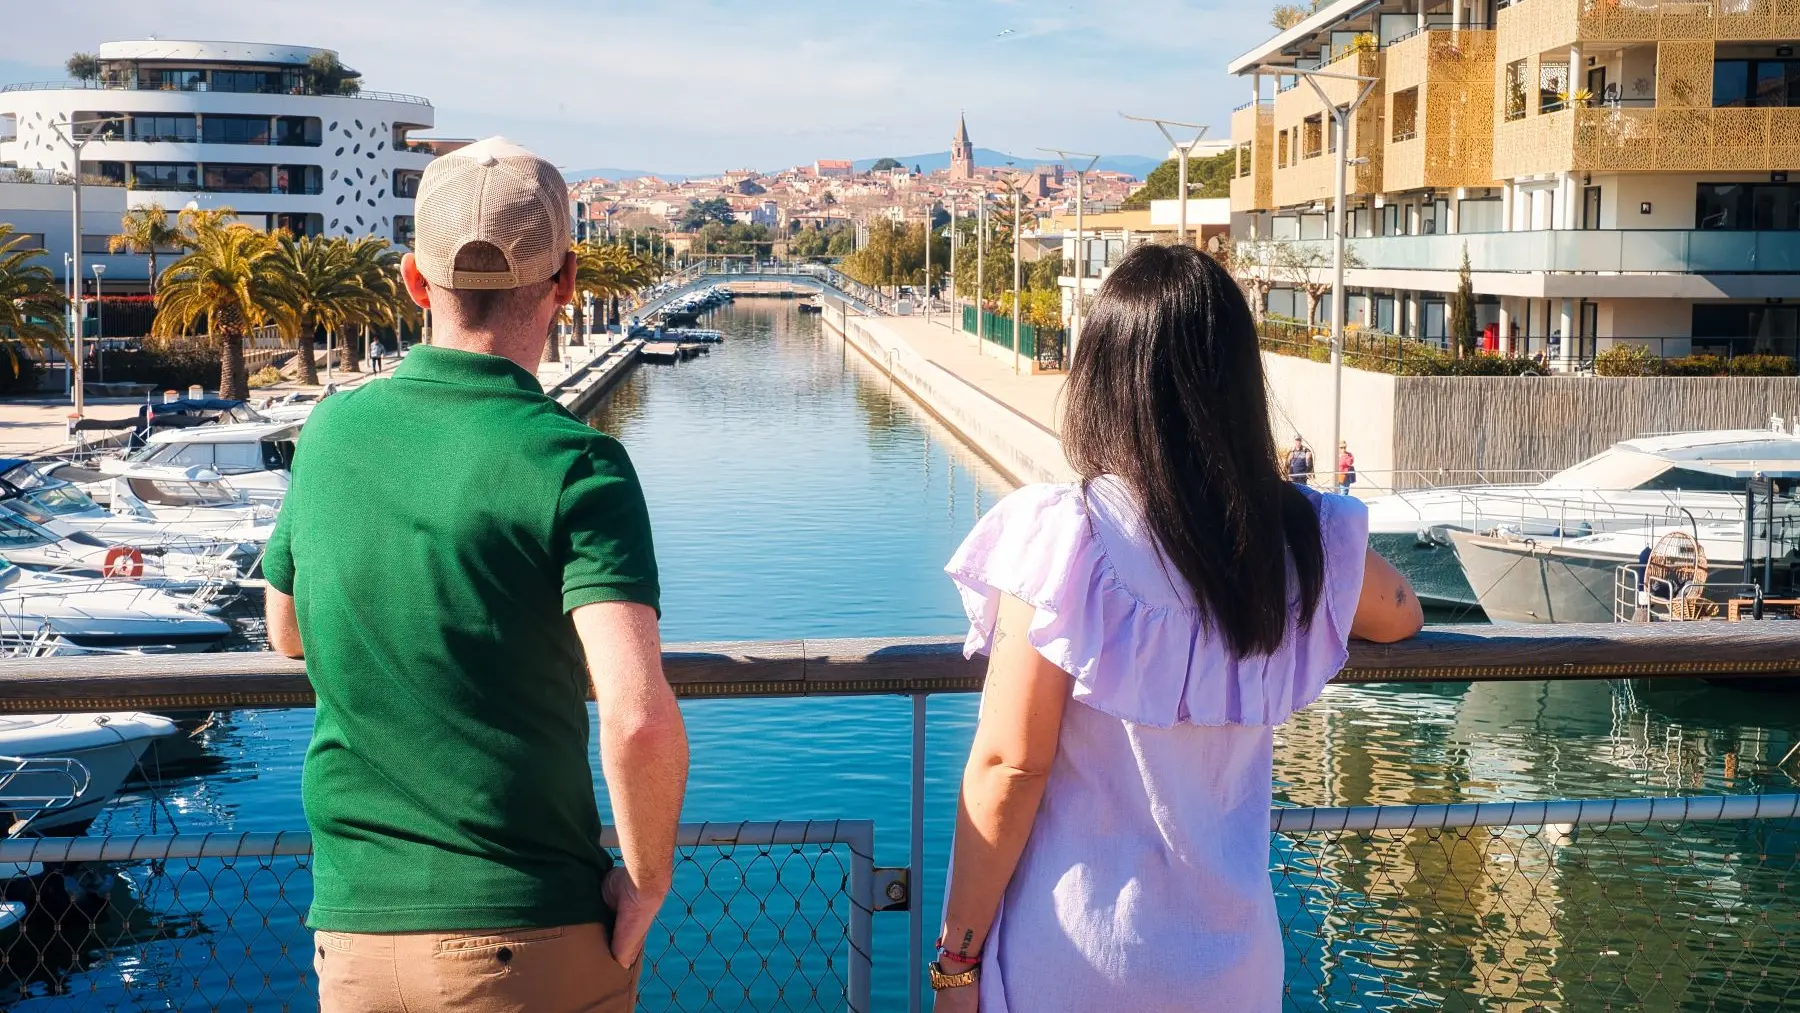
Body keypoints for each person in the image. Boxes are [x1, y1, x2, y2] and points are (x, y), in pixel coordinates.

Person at [929, 244, 1422, 1012]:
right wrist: (1290, 513)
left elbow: (1008, 769)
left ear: (1102, 379)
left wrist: (957, 959)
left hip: (1076, 959)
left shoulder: (1066, 536)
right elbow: (1402, 613)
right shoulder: (1294, 538)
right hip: (1232, 968)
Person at [263, 137, 688, 1013]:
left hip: (355, 940)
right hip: (529, 936)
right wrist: (646, 881)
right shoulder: (577, 465)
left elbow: (287, 630)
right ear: (567, 281)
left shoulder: (331, 433)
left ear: (415, 283)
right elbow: (637, 714)